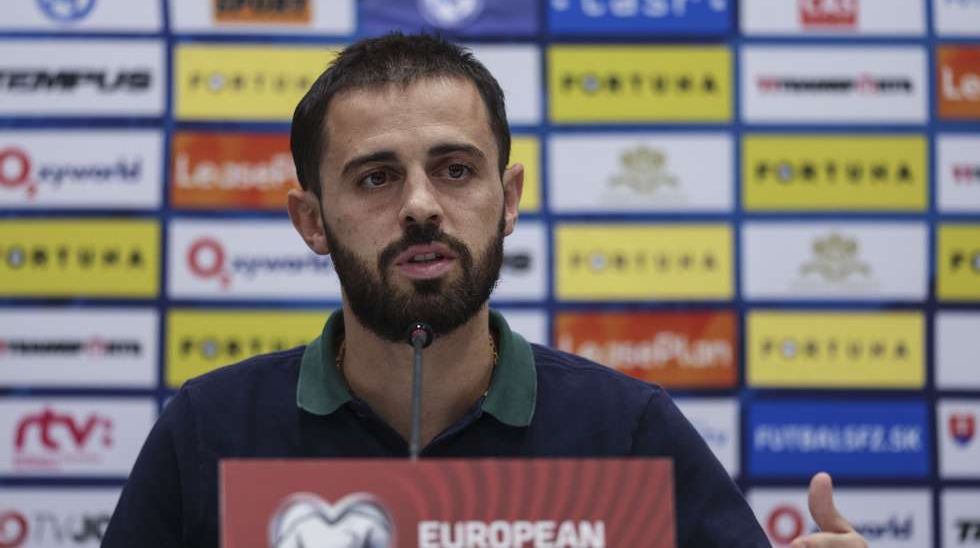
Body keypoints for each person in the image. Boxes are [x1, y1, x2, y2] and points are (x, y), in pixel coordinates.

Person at [102, 33, 867, 548]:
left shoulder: (628, 430)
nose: (421, 206)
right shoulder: (208, 430)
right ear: (312, 220)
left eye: (455, 169)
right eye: (376, 177)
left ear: (508, 199)